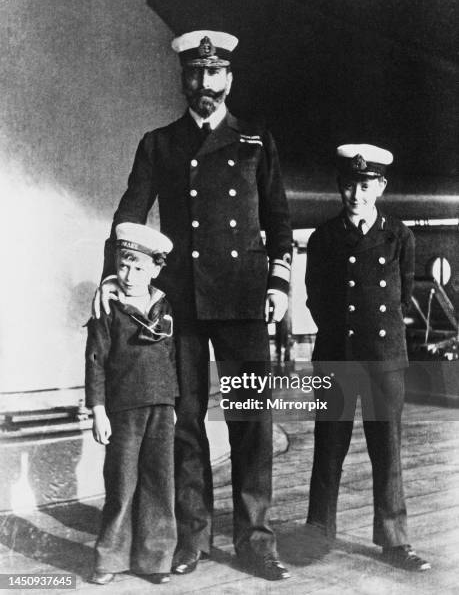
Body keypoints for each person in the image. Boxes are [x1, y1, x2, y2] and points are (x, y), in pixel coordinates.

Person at [94, 31, 292, 580]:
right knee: (185, 421)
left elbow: (278, 221)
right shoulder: (159, 144)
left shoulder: (256, 141)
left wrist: (278, 284)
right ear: (182, 78)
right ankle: (192, 538)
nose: (204, 84)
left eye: (215, 73)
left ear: (229, 78)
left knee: (252, 419)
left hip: (245, 298)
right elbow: (129, 214)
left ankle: (256, 540)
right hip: (180, 304)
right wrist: (115, 274)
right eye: (194, 74)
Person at [305, 144, 431, 571]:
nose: (356, 194)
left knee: (387, 449)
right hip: (337, 356)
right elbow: (316, 299)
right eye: (348, 185)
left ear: (380, 186)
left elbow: (402, 295)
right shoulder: (324, 238)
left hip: (383, 358)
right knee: (329, 447)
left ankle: (395, 541)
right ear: (340, 187)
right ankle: (319, 534)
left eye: (365, 184)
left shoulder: (400, 236)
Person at [86, 222, 178, 585]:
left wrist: (172, 406)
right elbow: (95, 360)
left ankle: (156, 560)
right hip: (123, 409)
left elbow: (171, 358)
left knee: (159, 484)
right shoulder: (107, 308)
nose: (129, 274)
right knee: (121, 485)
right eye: (123, 264)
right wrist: (98, 410)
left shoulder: (164, 306)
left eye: (139, 267)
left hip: (160, 407)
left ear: (155, 269)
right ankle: (109, 559)